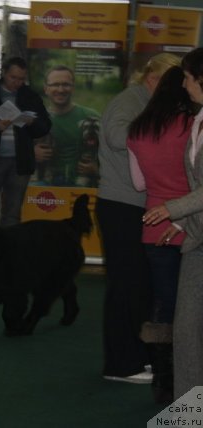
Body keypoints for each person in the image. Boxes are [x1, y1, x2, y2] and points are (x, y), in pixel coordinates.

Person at [96, 52, 181, 384]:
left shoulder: (144, 101)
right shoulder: (129, 101)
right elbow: (117, 137)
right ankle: (120, 364)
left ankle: (137, 356)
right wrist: (154, 127)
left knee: (139, 285)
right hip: (121, 206)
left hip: (135, 206)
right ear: (152, 79)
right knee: (125, 285)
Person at [126, 65, 195, 403]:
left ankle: (162, 382)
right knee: (191, 310)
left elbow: (139, 183)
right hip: (192, 223)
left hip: (154, 225)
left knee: (163, 305)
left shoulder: (137, 130)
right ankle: (189, 384)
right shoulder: (191, 126)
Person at [142, 47, 203, 399]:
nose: (183, 83)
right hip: (196, 241)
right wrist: (181, 224)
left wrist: (173, 210)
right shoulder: (197, 119)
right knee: (186, 334)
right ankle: (189, 416)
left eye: (188, 76)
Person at [0, 56, 51, 226]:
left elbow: (45, 126)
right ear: (4, 73)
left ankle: (8, 249)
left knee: (12, 213)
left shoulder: (31, 97)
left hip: (20, 164)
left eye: (21, 79)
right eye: (13, 78)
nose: (17, 83)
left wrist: (32, 122)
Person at [40, 65, 100, 187]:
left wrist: (97, 168)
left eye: (66, 84)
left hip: (84, 187)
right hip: (48, 189)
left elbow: (113, 153)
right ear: (46, 89)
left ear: (73, 88)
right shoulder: (37, 120)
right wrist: (31, 154)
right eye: (55, 85)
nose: (61, 89)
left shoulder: (91, 117)